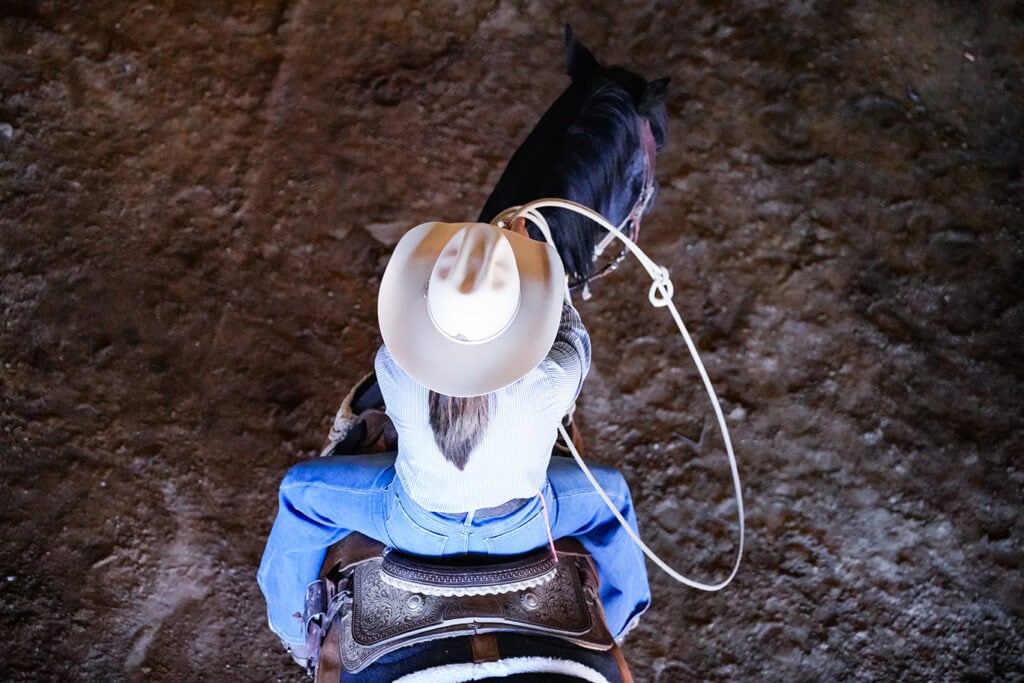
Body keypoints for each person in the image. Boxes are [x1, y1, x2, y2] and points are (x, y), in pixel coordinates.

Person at [257, 220, 650, 661]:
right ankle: (620, 615)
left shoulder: (396, 367)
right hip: (521, 527)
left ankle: (292, 627)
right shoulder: (551, 381)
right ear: (516, 313)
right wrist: (541, 273)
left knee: (300, 492)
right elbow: (572, 335)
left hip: (413, 524)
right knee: (612, 494)